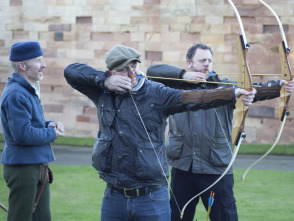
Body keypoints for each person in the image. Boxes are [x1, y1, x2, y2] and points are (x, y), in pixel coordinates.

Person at [63, 44, 256, 221]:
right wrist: (104, 81)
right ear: (111, 72)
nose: (131, 74)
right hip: (114, 195)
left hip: (152, 195)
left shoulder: (156, 92)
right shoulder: (103, 92)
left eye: (133, 67)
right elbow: (70, 71)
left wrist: (232, 94)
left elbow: (194, 98)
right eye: (123, 69)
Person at [146, 43, 294, 221]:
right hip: (183, 167)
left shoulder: (224, 87)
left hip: (216, 168)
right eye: (202, 60)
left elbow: (252, 90)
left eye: (210, 60)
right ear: (188, 62)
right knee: (178, 217)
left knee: (225, 216)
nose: (207, 64)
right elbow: (152, 71)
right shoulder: (174, 88)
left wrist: (278, 87)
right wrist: (184, 76)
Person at [0, 41, 65, 221]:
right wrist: (52, 134)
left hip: (36, 166)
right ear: (22, 65)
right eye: (38, 60)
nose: (43, 65)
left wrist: (49, 124)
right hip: (23, 169)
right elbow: (23, 134)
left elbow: (31, 124)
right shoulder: (16, 94)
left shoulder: (25, 91)